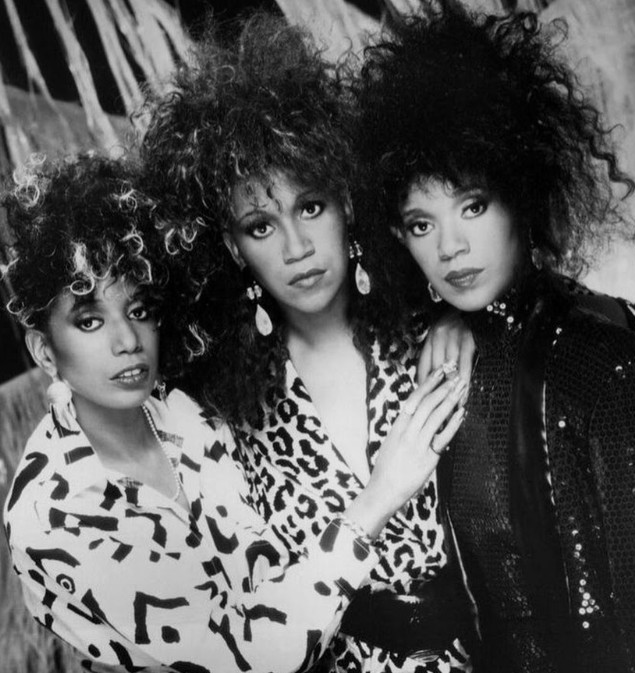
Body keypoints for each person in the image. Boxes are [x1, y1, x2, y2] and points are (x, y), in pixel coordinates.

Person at [1, 153, 466, 673]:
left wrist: (456, 317)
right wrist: (379, 496)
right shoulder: (51, 511)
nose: (126, 341)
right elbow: (248, 656)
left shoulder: (189, 413)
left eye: (139, 310)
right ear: (44, 351)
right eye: (89, 321)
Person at [140, 12, 474, 673]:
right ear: (232, 245)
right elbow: (239, 619)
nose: (295, 247)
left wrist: (462, 319)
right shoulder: (221, 412)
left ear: (346, 199)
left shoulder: (429, 332)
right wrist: (377, 497)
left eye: (310, 206)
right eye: (261, 226)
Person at [355, 3, 635, 672]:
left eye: (472, 204)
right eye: (421, 223)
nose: (450, 246)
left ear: (522, 193)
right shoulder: (437, 361)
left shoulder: (611, 369)